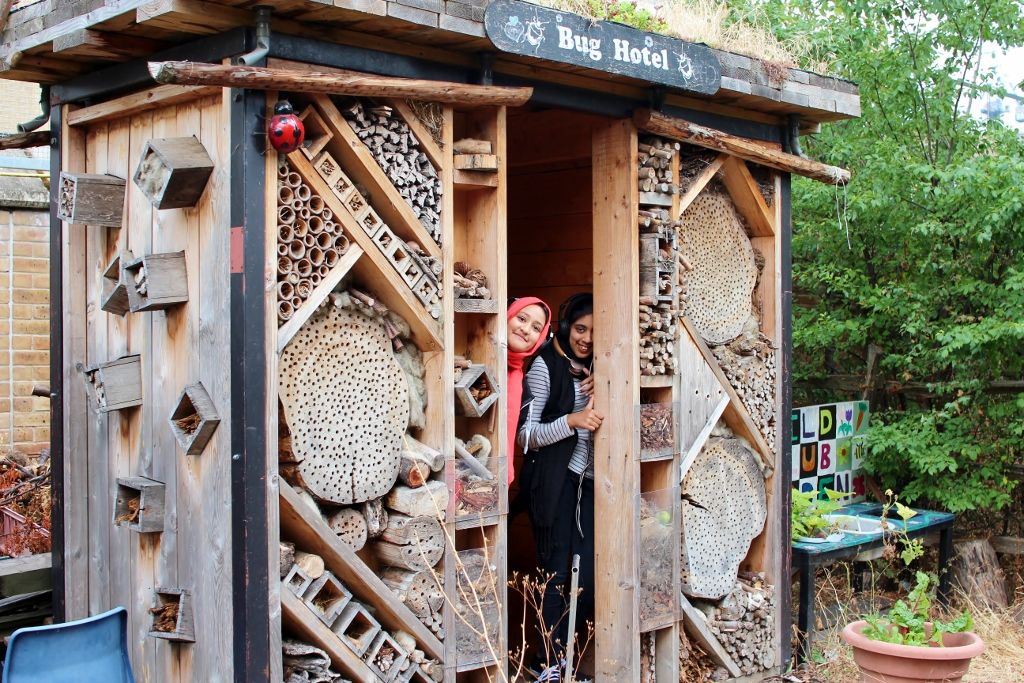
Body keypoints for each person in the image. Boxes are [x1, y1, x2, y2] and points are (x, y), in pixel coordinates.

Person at [518, 293, 603, 678]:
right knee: (554, 575)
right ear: (567, 327)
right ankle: (545, 663)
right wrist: (572, 421)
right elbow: (526, 435)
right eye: (580, 329)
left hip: (586, 485)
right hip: (553, 485)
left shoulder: (596, 369)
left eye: (594, 333)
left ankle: (564, 659)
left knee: (584, 577)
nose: (586, 338)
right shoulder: (544, 368)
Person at [506, 296, 551, 486]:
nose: (525, 330)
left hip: (489, 482)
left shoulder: (518, 379)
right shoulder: (471, 356)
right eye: (522, 318)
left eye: (536, 328)